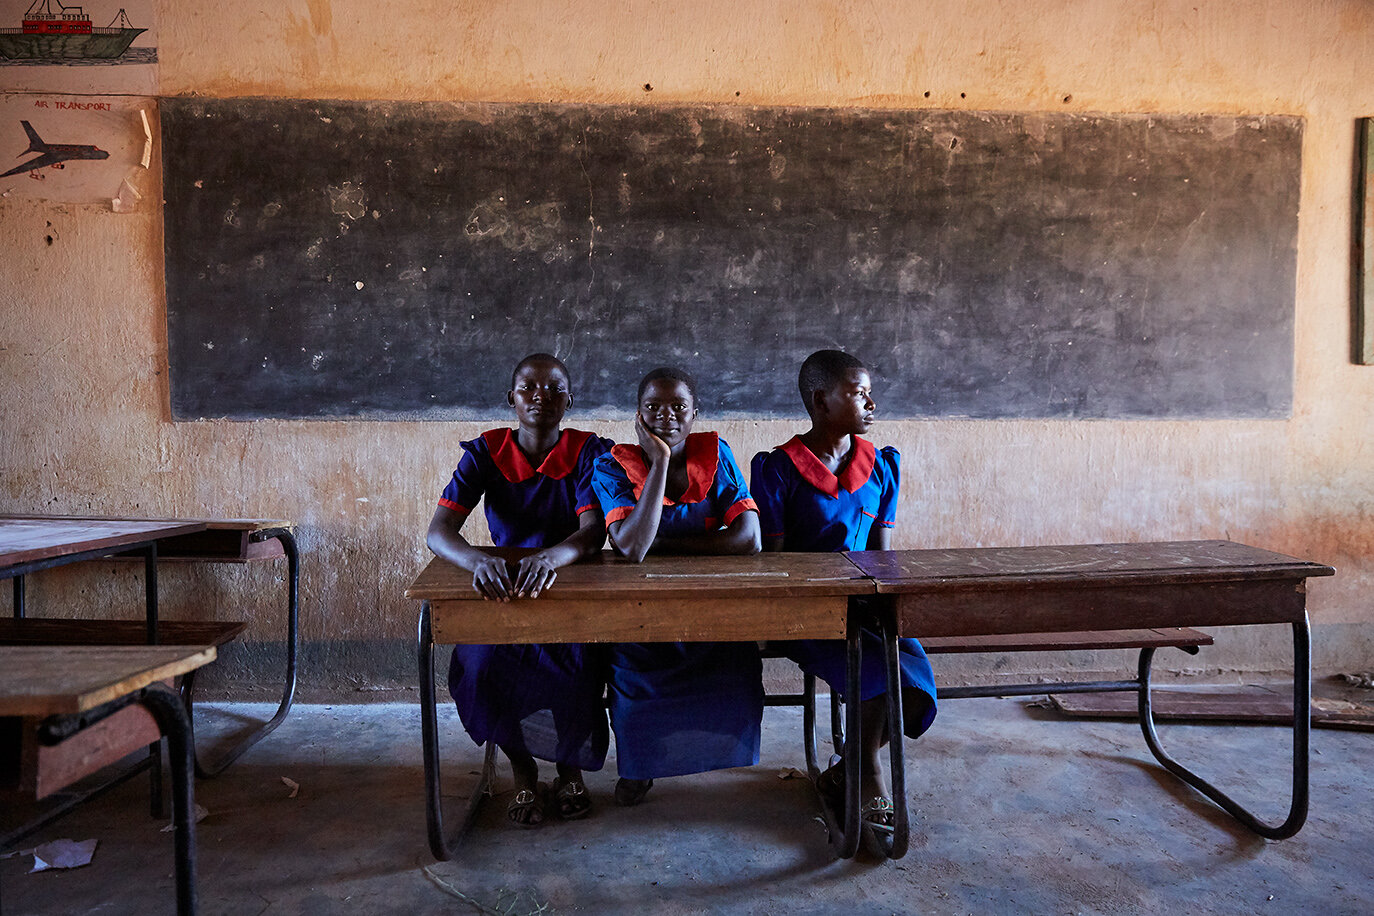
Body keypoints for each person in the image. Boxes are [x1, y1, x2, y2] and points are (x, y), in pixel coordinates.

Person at [750, 349, 938, 840]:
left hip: (868, 608)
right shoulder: (778, 469)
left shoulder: (882, 465)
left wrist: (885, 605)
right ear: (819, 401)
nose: (871, 403)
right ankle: (869, 776)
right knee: (875, 674)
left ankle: (847, 768)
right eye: (857, 393)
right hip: (807, 613)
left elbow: (882, 554)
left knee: (914, 680)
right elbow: (775, 563)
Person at [426, 353, 612, 828]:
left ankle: (569, 767)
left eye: (554, 389)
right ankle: (523, 768)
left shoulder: (588, 451)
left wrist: (552, 555)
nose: (540, 397)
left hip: (568, 584)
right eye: (528, 387)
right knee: (484, 664)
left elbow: (592, 532)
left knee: (577, 663)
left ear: (570, 401)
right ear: (510, 399)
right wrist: (477, 559)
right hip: (504, 587)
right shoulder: (486, 452)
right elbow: (439, 532)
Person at [591, 366, 763, 806]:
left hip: (708, 608)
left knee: (731, 671)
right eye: (653, 406)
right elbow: (631, 549)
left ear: (695, 413)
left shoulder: (717, 455)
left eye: (678, 407)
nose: (665, 416)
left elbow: (749, 538)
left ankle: (703, 758)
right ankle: (639, 767)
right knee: (634, 682)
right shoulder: (612, 465)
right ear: (637, 415)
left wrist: (662, 543)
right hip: (639, 612)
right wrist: (662, 461)